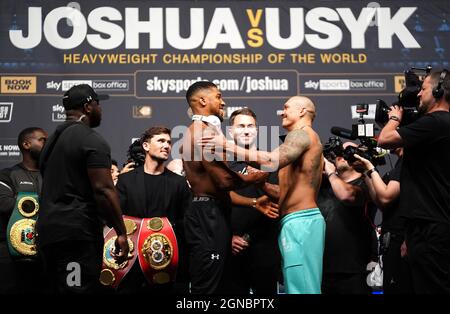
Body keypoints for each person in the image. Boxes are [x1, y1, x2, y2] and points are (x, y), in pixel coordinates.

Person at [201, 95, 325, 294]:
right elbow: (282, 192)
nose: (281, 112)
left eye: (286, 107)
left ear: (302, 111)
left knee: (304, 288)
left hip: (301, 222)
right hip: (294, 222)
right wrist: (262, 185)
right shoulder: (300, 143)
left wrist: (225, 144)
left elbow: (270, 160)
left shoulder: (301, 135)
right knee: (297, 287)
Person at [36, 84, 129, 294]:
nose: (101, 109)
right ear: (88, 107)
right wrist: (121, 233)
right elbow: (104, 189)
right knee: (77, 291)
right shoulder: (90, 140)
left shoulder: (50, 142)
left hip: (49, 233)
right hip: (75, 236)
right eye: (98, 104)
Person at [182, 81, 268, 294]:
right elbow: (225, 182)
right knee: (208, 287)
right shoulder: (203, 134)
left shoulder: (201, 130)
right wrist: (258, 176)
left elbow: (219, 185)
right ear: (203, 101)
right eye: (218, 96)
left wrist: (253, 199)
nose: (223, 101)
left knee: (216, 284)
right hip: (207, 215)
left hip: (210, 211)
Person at [378, 70, 450, 293]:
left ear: (438, 91)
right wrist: (409, 237)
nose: (419, 94)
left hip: (434, 228)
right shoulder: (433, 124)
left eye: (424, 89)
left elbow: (385, 139)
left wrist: (393, 119)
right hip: (423, 226)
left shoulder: (437, 122)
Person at [115, 126, 191, 294]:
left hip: (168, 262)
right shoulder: (126, 181)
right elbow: (117, 217)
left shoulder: (179, 183)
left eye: (169, 142)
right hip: (132, 263)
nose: (167, 146)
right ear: (146, 146)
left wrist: (168, 228)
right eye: (161, 141)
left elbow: (188, 220)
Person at [226, 108, 281, 294]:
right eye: (240, 126)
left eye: (251, 126)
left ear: (257, 131)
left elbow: (277, 200)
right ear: (230, 131)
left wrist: (248, 237)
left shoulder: (270, 162)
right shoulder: (219, 164)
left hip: (264, 247)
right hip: (229, 247)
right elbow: (215, 204)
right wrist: (228, 238)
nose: (246, 130)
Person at [354, 149, 413, 294]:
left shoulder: (408, 161)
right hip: (391, 239)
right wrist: (366, 172)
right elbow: (381, 201)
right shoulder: (400, 163)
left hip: (401, 239)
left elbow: (386, 197)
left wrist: (371, 168)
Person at [319, 142, 374, 294]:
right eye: (339, 151)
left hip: (354, 270)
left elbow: (347, 195)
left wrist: (331, 173)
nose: (342, 154)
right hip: (322, 269)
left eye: (348, 150)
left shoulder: (368, 184)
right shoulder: (324, 185)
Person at [0, 127, 47, 294]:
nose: (47, 144)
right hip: (10, 257)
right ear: (26, 144)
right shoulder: (7, 175)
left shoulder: (53, 176)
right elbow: (5, 204)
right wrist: (47, 207)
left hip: (45, 255)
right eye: (42, 140)